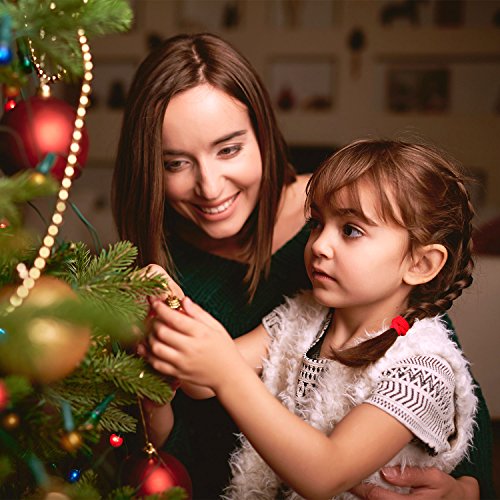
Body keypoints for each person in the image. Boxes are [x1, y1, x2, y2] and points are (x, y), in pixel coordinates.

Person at [111, 33, 495, 499]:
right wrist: (166, 322)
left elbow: (454, 392)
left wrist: (468, 488)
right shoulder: (300, 307)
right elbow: (195, 387)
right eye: (175, 163)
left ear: (262, 134)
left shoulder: (351, 209)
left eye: (229, 149)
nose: (210, 187)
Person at [143, 139, 484, 498]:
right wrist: (171, 306)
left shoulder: (423, 370)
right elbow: (202, 381)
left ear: (421, 264)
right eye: (317, 224)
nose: (320, 245)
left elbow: (325, 474)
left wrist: (226, 373)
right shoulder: (301, 318)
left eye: (351, 230)